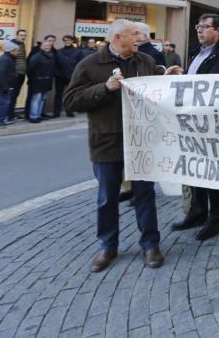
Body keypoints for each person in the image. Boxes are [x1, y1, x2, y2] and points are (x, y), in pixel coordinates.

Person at [63, 19, 164, 273]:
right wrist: (104, 88)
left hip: (140, 141)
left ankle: (150, 244)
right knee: (107, 198)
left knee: (145, 195)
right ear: (118, 38)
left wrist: (167, 80)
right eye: (134, 34)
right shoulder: (90, 64)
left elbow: (155, 94)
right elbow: (71, 100)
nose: (140, 38)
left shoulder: (145, 62)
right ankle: (108, 246)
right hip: (106, 141)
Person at [166, 13, 219, 241]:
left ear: (218, 31)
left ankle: (217, 219)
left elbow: (211, 88)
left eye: (205, 27)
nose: (199, 30)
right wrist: (183, 76)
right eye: (198, 26)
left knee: (213, 172)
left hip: (211, 124)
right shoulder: (197, 52)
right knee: (195, 168)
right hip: (193, 122)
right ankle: (197, 212)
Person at [0, 41, 21, 128]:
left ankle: (0, 119)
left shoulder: (8, 58)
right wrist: (5, 87)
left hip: (3, 85)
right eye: (17, 50)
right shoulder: (5, 60)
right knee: (4, 103)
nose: (18, 52)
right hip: (1, 85)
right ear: (11, 51)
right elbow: (0, 74)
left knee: (4, 103)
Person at [27, 36, 58, 123]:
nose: (47, 47)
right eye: (45, 46)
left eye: (49, 46)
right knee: (36, 99)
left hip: (47, 81)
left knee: (42, 99)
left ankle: (38, 115)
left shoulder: (51, 56)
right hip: (37, 81)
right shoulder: (37, 56)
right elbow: (30, 69)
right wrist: (34, 79)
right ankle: (33, 116)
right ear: (41, 47)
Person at [55, 35, 82, 118]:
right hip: (60, 76)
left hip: (72, 76)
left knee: (70, 95)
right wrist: (57, 73)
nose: (67, 41)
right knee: (58, 94)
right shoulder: (58, 51)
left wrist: (76, 74)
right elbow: (55, 64)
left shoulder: (77, 51)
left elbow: (80, 64)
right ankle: (56, 112)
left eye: (69, 40)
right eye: (65, 40)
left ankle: (69, 112)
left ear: (72, 41)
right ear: (63, 41)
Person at [8, 29, 28, 119]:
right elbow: (9, 59)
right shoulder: (12, 44)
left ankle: (11, 112)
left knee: (16, 94)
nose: (23, 37)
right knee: (12, 95)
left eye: (24, 35)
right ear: (17, 35)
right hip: (14, 74)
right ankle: (8, 114)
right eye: (21, 35)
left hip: (21, 73)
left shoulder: (22, 44)